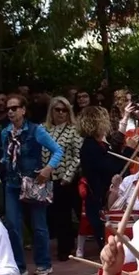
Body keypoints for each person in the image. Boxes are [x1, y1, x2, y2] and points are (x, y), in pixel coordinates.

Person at [0, 93, 66, 275]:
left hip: (33, 181)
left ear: (23, 110)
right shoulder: (5, 132)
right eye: (8, 109)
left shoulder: (36, 130)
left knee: (38, 225)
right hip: (13, 183)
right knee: (13, 224)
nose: (10, 112)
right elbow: (5, 154)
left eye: (14, 108)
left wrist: (48, 169)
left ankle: (44, 263)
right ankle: (19, 266)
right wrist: (4, 163)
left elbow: (57, 150)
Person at [77, 105, 128, 258]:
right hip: (98, 197)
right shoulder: (90, 146)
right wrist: (129, 150)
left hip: (102, 194)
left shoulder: (100, 144)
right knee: (105, 237)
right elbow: (111, 167)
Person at [44, 96, 85, 263]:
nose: (61, 113)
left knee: (77, 211)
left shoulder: (73, 130)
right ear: (51, 111)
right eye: (57, 110)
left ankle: (89, 242)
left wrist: (68, 176)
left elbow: (78, 156)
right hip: (49, 178)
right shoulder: (43, 130)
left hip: (69, 178)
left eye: (64, 110)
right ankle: (64, 248)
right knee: (59, 215)